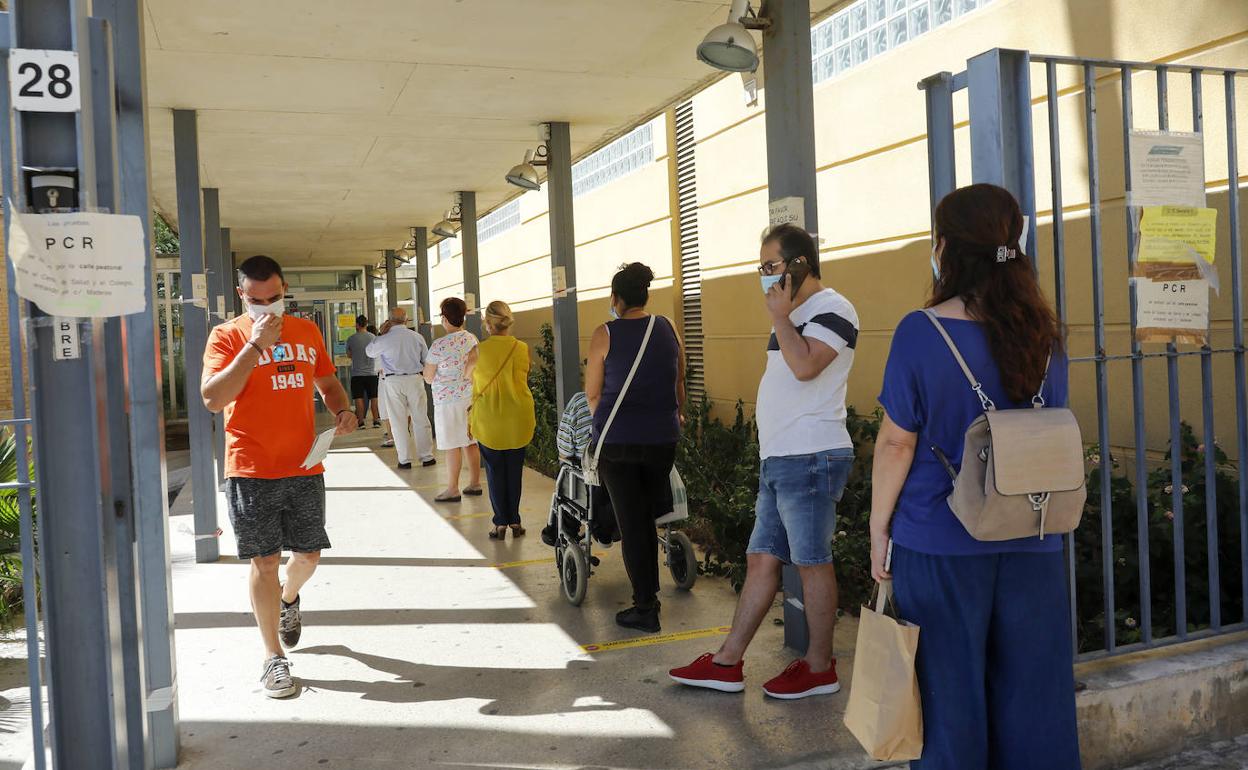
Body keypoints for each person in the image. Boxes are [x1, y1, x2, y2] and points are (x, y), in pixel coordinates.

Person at [869, 183, 1079, 768]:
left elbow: (894, 444)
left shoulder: (920, 331)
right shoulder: (1044, 334)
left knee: (948, 697)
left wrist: (876, 529)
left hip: (939, 541)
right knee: (1034, 698)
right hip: (1033, 533)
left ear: (945, 249)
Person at [670, 224, 858, 698]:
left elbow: (806, 366)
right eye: (762, 268)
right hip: (782, 459)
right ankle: (727, 663)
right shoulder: (796, 313)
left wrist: (779, 318)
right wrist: (783, 317)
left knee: (812, 562)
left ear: (799, 265)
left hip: (811, 455)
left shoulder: (833, 307)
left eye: (770, 267)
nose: (765, 277)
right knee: (760, 560)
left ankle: (819, 668)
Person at [200, 255, 358, 699]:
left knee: (308, 556)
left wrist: (342, 410)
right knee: (263, 560)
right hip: (251, 467)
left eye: (274, 298)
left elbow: (327, 383)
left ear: (285, 289)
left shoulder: (307, 331)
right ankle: (274, 658)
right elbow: (213, 399)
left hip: (305, 464)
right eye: (256, 300)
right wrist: (254, 346)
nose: (267, 307)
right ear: (241, 296)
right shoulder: (227, 335)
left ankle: (289, 598)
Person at [585, 263, 683, 633]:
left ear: (616, 298)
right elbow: (679, 381)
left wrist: (606, 421)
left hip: (620, 444)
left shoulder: (604, 334)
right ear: (646, 295)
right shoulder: (667, 328)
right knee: (645, 513)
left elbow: (593, 393)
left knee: (634, 524)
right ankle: (649, 590)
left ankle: (646, 607)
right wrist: (674, 416)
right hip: (662, 440)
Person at [469, 301, 535, 540]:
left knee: (495, 471)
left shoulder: (478, 351)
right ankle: (515, 521)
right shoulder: (522, 347)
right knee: (514, 470)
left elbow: (468, 375)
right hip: (518, 416)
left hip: (489, 419)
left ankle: (500, 524)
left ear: (487, 324)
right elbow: (525, 374)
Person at [422, 297, 482, 502]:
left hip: (446, 401)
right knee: (470, 441)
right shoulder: (471, 339)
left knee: (451, 445)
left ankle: (452, 488)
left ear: (445, 318)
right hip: (469, 398)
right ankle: (475, 483)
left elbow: (428, 377)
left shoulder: (438, 345)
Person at [367, 307, 435, 470]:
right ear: (406, 320)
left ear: (389, 321)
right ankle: (426, 457)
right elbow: (426, 359)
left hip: (393, 381)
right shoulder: (417, 337)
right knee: (420, 418)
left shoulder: (384, 339)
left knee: (398, 421)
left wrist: (381, 334)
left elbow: (369, 352)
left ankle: (404, 460)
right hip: (414, 379)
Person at [346, 315, 380, 428]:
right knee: (374, 397)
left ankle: (361, 422)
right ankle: (376, 420)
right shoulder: (373, 337)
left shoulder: (351, 339)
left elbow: (349, 355)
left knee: (358, 398)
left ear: (357, 325)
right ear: (366, 324)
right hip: (372, 373)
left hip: (357, 374)